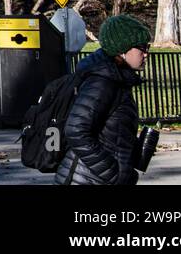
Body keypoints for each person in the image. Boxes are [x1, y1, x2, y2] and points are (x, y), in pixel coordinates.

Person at [54, 14, 151, 186]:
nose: (146, 54)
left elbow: (113, 134)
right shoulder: (103, 82)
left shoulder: (117, 79)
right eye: (142, 48)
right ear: (122, 49)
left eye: (148, 47)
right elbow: (75, 130)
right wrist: (113, 173)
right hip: (85, 179)